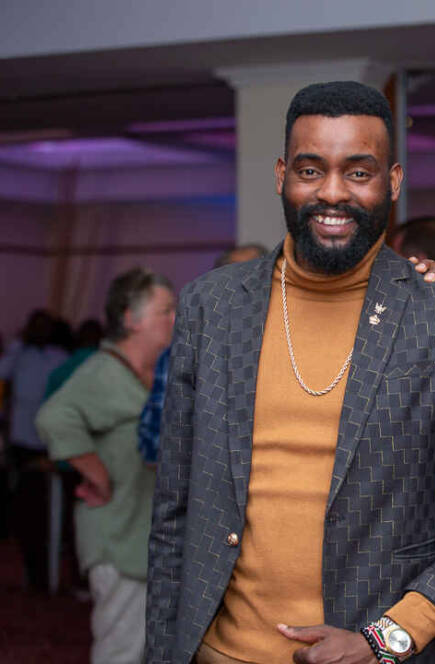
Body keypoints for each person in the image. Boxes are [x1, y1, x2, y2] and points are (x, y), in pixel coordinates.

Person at [146, 80, 435, 664]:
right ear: (282, 175)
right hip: (218, 652)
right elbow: (173, 513)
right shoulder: (211, 305)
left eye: (358, 172)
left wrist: (391, 637)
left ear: (392, 182)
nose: (332, 192)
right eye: (310, 170)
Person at [36, 267, 176, 663]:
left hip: (141, 537)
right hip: (116, 537)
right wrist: (95, 474)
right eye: (165, 311)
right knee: (121, 652)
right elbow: (53, 417)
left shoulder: (151, 373)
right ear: (131, 319)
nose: (175, 319)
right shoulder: (105, 371)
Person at [138, 245, 267, 465]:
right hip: (207, 480)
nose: (247, 290)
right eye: (237, 281)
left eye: (256, 279)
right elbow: (155, 444)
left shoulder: (293, 348)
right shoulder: (183, 353)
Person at [0, 309, 68, 591]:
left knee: (49, 510)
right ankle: (33, 573)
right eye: (36, 326)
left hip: (50, 442)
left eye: (45, 326)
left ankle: (48, 573)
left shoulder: (58, 356)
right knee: (25, 509)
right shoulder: (19, 355)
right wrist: (18, 344)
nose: (41, 331)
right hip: (22, 442)